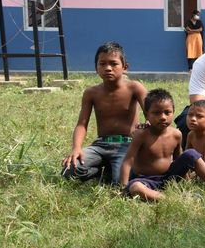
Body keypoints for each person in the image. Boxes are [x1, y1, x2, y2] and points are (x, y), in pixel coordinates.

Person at [62, 42, 147, 184]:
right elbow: (82, 124)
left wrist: (147, 126)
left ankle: (108, 171)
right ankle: (98, 171)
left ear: (125, 67)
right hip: (100, 146)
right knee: (69, 170)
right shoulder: (91, 93)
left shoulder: (135, 87)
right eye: (102, 64)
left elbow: (151, 113)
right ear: (96, 68)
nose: (108, 68)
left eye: (114, 64)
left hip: (126, 145)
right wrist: (76, 148)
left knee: (121, 181)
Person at [120, 89, 205, 201]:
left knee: (191, 154)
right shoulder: (141, 135)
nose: (163, 117)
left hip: (169, 177)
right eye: (156, 113)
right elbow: (127, 162)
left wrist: (186, 181)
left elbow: (180, 160)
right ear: (146, 115)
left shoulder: (176, 134)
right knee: (136, 187)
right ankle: (173, 199)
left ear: (173, 112)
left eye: (167, 112)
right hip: (145, 180)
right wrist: (124, 187)